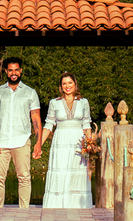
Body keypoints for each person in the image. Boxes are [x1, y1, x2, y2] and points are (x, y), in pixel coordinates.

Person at [0, 57, 42, 209]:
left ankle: (23, 212)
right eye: (10, 70)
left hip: (22, 140)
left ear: (21, 71)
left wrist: (38, 143)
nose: (14, 73)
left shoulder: (30, 93)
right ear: (6, 71)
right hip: (1, 141)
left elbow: (36, 118)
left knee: (24, 177)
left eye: (16, 70)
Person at [33, 71, 93, 208]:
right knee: (60, 171)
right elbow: (48, 125)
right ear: (61, 86)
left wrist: (90, 145)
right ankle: (57, 206)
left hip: (79, 142)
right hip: (60, 141)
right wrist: (39, 145)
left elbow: (86, 124)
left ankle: (78, 206)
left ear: (75, 84)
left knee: (77, 172)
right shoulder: (54, 103)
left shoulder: (84, 102)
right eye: (64, 84)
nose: (67, 86)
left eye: (70, 83)